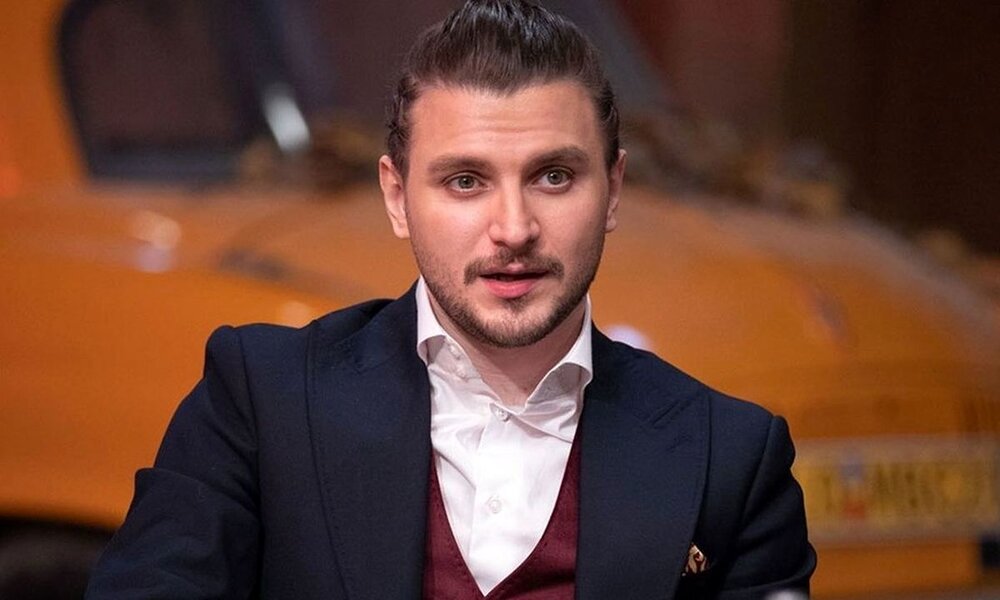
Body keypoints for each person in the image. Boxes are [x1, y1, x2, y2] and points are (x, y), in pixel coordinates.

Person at [86, 1, 815, 598]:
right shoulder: (258, 399)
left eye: (554, 177)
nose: (514, 229)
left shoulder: (732, 459)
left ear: (613, 190)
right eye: (465, 181)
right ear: (396, 197)